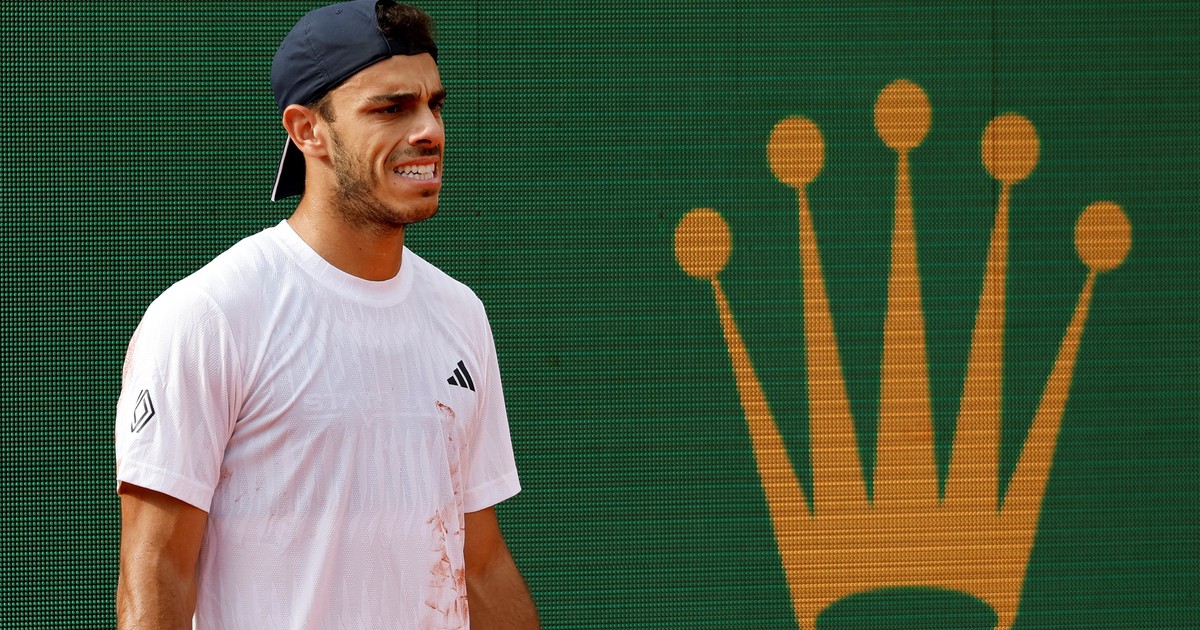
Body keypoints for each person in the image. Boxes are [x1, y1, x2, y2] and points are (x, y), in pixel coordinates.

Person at [113, 1, 538, 627]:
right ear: (307, 130)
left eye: (434, 104)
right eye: (391, 108)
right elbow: (156, 572)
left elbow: (480, 563)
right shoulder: (209, 316)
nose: (430, 130)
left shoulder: (461, 314)